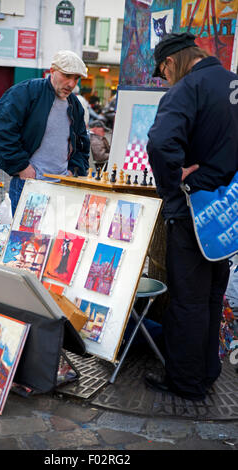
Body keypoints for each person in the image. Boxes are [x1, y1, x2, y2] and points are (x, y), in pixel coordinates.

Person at [145, 32, 238, 401]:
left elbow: (159, 142)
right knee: (213, 295)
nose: (166, 79)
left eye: (164, 72)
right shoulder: (232, 83)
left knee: (188, 299)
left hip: (193, 210)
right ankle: (207, 370)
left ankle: (185, 381)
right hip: (227, 212)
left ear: (171, 62)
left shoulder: (187, 88)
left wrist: (174, 182)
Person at [0, 50, 90, 215]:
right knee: (25, 239)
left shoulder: (75, 105)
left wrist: (74, 171)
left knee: (57, 239)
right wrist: (22, 167)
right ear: (52, 71)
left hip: (62, 188)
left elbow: (82, 143)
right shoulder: (27, 92)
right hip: (30, 185)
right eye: (67, 76)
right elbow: (0, 131)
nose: (72, 84)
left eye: (76, 78)